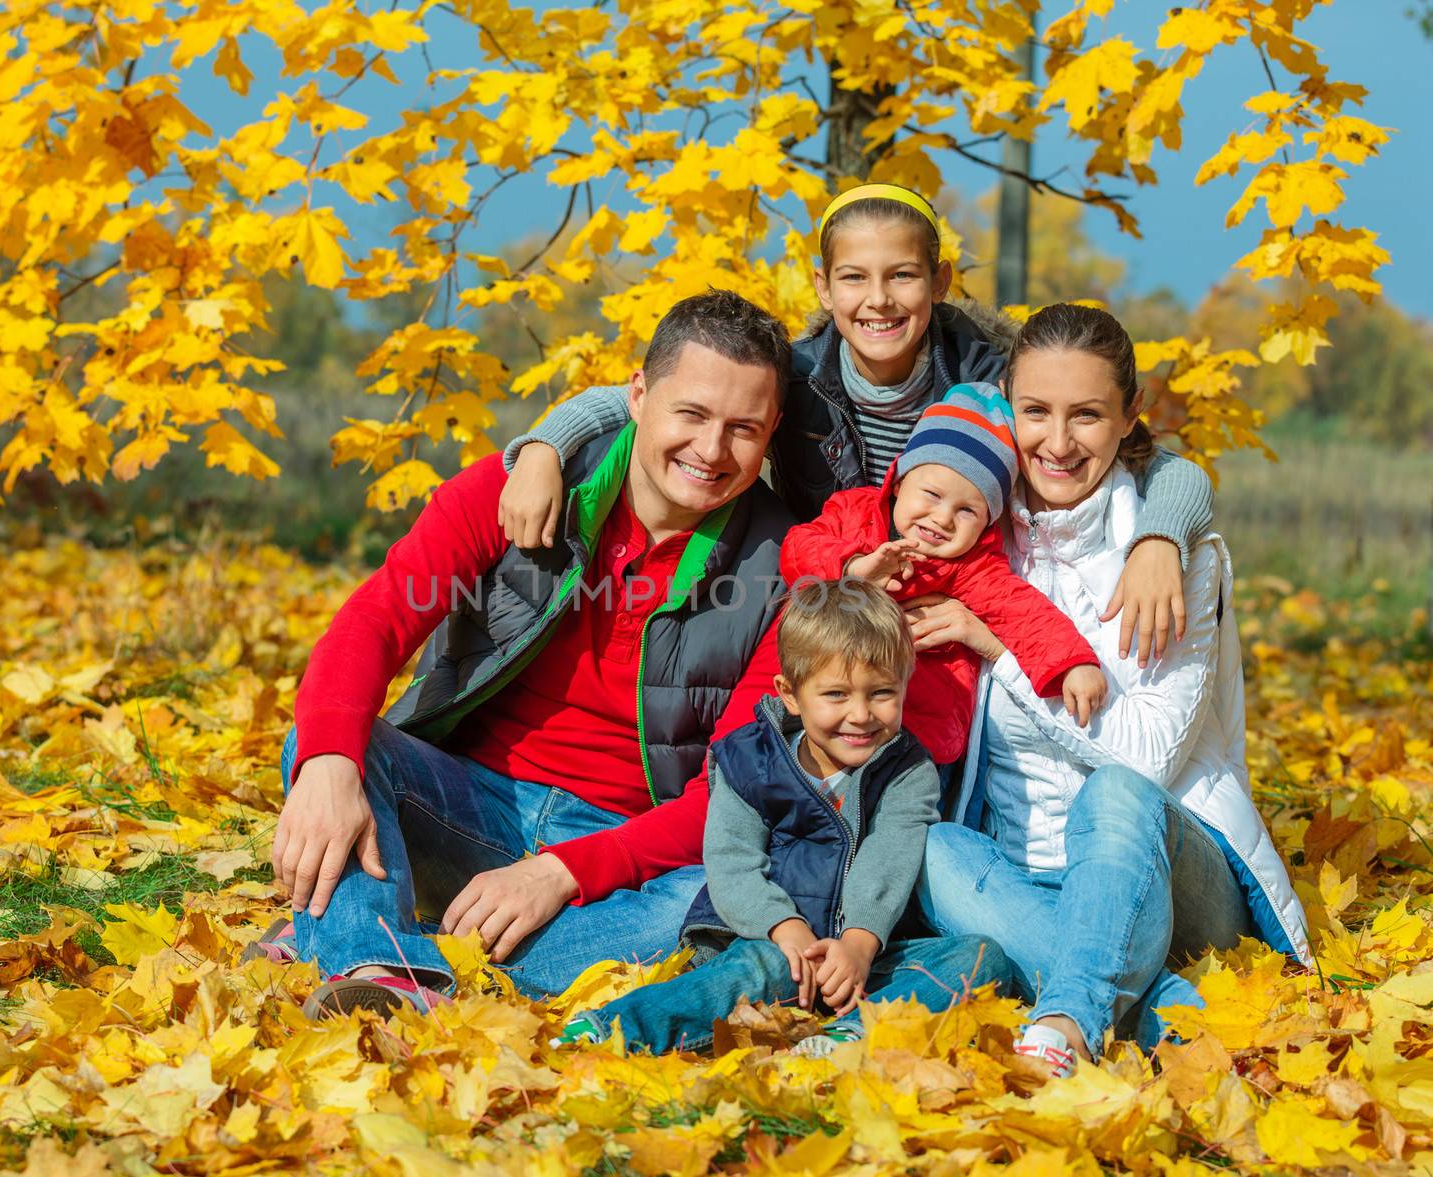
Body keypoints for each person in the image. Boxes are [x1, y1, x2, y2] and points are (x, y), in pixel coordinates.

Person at [261, 290, 802, 1018]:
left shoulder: (783, 565)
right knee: (327, 742)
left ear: (770, 435)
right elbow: (375, 621)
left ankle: (392, 939)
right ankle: (376, 969)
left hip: (621, 849)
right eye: (693, 414)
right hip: (466, 800)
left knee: (725, 899)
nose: (711, 450)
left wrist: (560, 873)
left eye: (743, 429)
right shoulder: (520, 487)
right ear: (637, 395)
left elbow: (730, 790)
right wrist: (331, 763)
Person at [498, 183, 1213, 668]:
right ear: (822, 287)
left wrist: (1158, 536)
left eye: (902, 276)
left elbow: (1153, 457)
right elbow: (646, 400)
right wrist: (541, 449)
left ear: (938, 282)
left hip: (959, 603)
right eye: (854, 279)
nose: (878, 300)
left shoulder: (992, 374)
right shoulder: (799, 371)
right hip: (826, 585)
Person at [908, 304, 1311, 1077]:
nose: (1057, 443)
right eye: (1036, 412)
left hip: (1167, 866)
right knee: (927, 845)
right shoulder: (978, 534)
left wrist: (1001, 645)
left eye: (1087, 415)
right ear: (1007, 408)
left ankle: (1067, 1018)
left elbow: (1146, 763)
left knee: (1115, 795)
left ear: (1130, 418)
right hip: (1020, 868)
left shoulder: (1174, 555)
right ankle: (1152, 1000)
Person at [551, 578, 1011, 1056]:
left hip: (866, 954)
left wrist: (858, 943)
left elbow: (889, 854)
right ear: (790, 694)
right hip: (770, 940)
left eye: (881, 693)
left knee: (979, 958)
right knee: (759, 969)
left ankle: (848, 1036)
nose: (860, 714)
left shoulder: (907, 769)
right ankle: (617, 1029)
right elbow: (733, 862)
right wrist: (785, 928)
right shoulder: (750, 762)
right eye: (835, 694)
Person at [780, 382, 1108, 767]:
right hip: (828, 691)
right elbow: (798, 548)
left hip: (917, 715)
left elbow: (1022, 612)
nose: (942, 518)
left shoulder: (971, 566)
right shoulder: (856, 513)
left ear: (988, 521)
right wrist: (853, 568)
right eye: (932, 496)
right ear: (900, 482)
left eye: (967, 510)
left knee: (906, 765)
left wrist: (1071, 663)